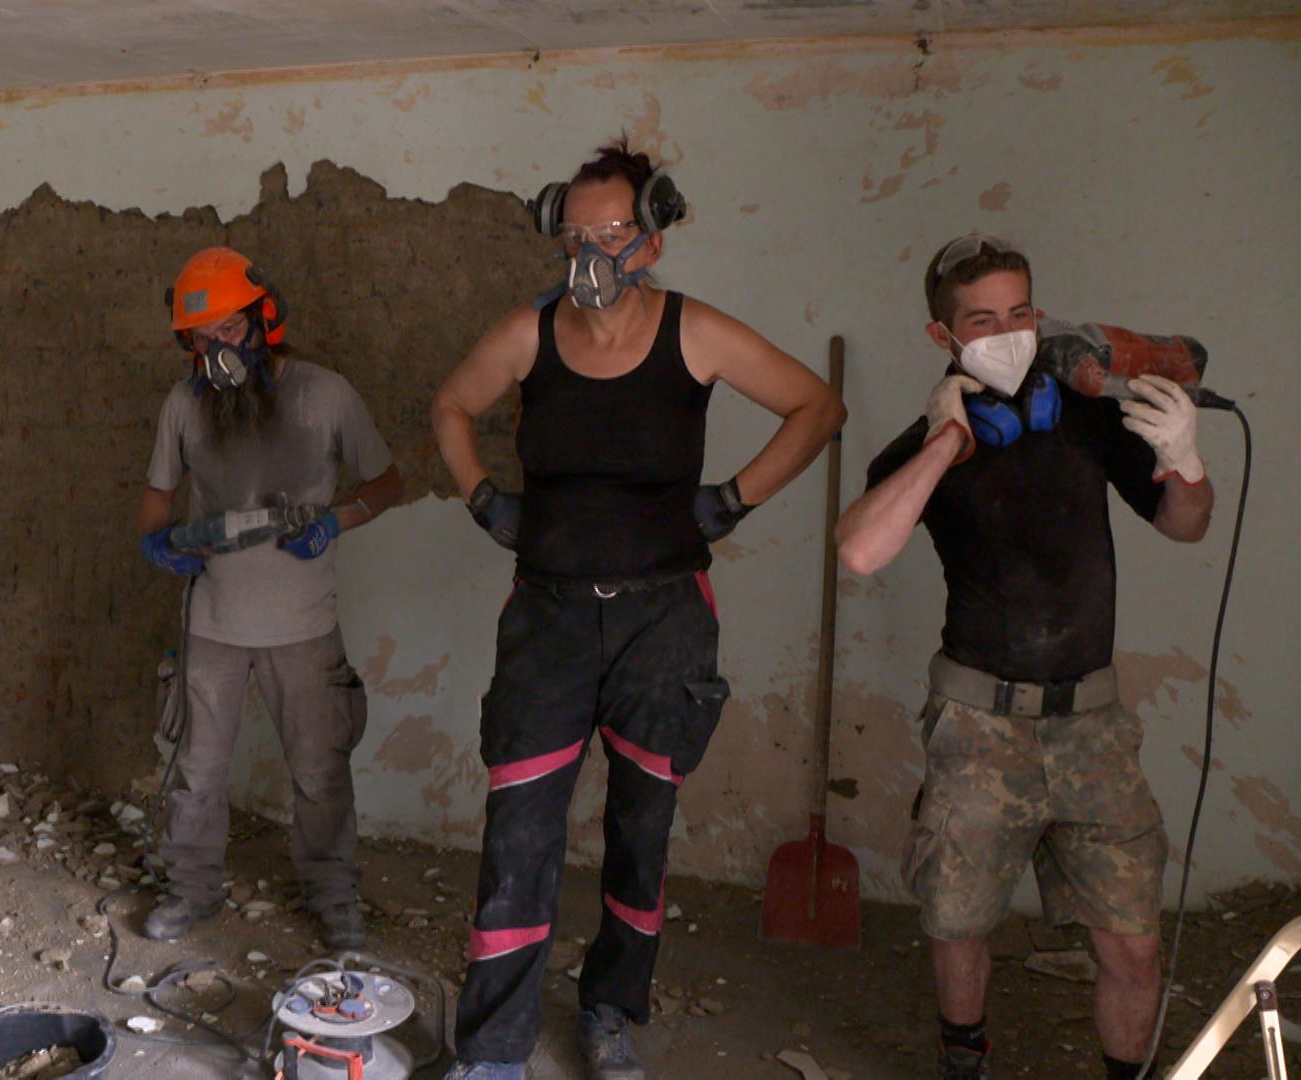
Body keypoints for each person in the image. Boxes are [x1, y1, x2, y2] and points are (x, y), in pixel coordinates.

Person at [431, 139, 846, 1080]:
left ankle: (612, 1008)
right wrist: (483, 497)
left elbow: (818, 408)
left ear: (650, 240)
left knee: (641, 828)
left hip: (664, 621)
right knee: (520, 832)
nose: (588, 250)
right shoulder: (529, 333)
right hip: (550, 620)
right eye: (573, 232)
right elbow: (452, 404)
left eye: (609, 231)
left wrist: (734, 498)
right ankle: (493, 1050)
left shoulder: (693, 333)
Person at [834, 233, 1214, 1079]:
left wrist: (1185, 463)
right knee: (959, 925)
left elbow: (1188, 525)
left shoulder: (1087, 419)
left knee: (1134, 945)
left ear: (1038, 315)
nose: (1008, 331)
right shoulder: (918, 452)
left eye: (1020, 313)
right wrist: (944, 441)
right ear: (945, 338)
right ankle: (964, 1059)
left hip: (1094, 726)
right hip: (978, 728)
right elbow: (859, 551)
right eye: (982, 319)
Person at [135, 246, 404, 950]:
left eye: (228, 330)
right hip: (213, 626)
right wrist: (159, 542)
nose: (216, 348)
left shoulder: (326, 395)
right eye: (201, 337)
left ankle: (333, 895)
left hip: (304, 627)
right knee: (197, 773)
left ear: (264, 319)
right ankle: (191, 889)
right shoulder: (184, 406)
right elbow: (155, 501)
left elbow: (386, 485)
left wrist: (334, 521)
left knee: (319, 773)